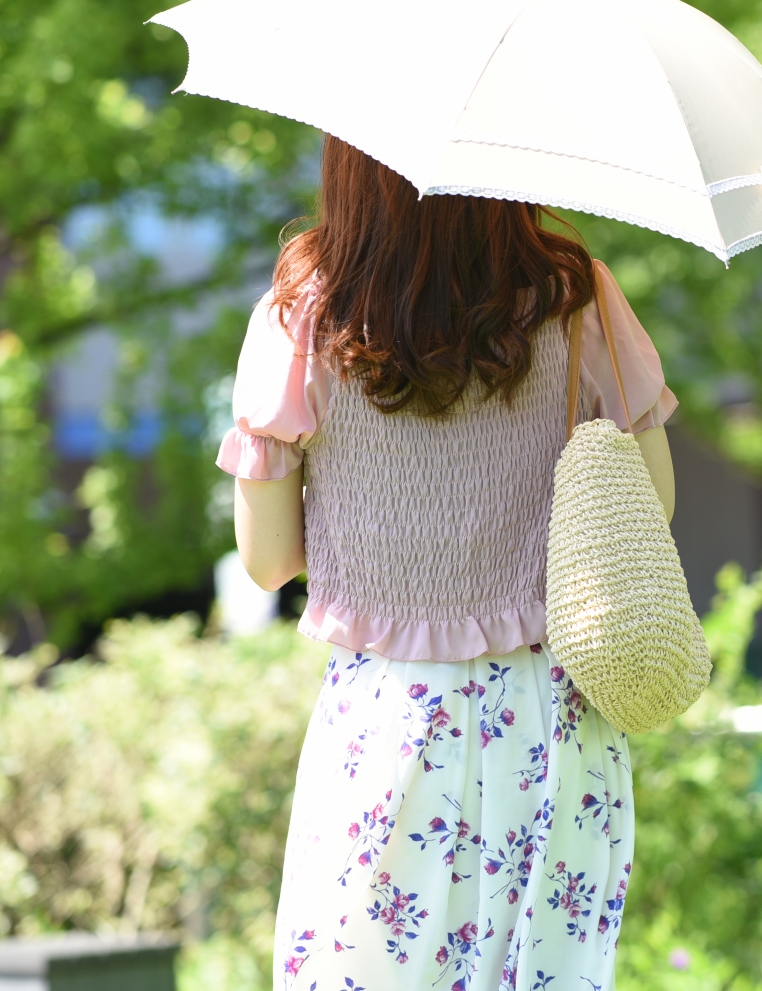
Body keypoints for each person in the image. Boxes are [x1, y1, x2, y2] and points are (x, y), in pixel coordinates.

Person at [220, 135, 677, 991]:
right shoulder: (574, 294)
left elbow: (268, 560)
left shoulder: (302, 311)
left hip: (387, 720)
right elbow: (650, 505)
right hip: (551, 718)